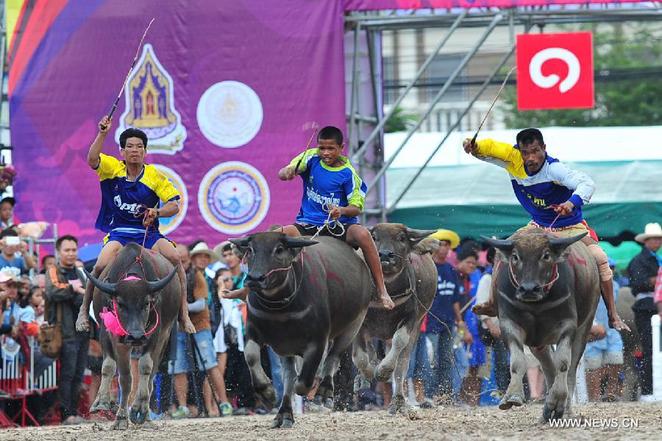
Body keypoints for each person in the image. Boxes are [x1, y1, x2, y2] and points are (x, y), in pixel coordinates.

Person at [464, 128, 628, 331]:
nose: (531, 158)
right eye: (526, 153)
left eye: (535, 151)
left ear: (544, 148)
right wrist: (473, 146)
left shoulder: (554, 169)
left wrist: (571, 203)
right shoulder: (513, 161)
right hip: (537, 226)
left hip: (569, 227)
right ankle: (492, 303)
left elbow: (587, 183)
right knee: (503, 250)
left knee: (601, 259)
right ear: (519, 151)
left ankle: (613, 315)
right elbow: (489, 151)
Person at [75, 115, 194, 334]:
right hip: (119, 233)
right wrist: (102, 133)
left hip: (148, 234)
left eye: (139, 146)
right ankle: (84, 309)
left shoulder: (154, 176)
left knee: (176, 260)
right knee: (100, 265)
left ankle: (183, 314)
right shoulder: (112, 168)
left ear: (145, 151)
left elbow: (174, 205)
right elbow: (92, 160)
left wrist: (157, 211)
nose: (135, 150)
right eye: (129, 146)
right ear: (122, 151)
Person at [277, 125, 394, 309]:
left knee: (363, 234)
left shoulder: (349, 174)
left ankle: (381, 290)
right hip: (307, 223)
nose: (325, 152)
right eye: (322, 147)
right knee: (275, 237)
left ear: (341, 147)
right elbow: (285, 171)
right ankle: (249, 287)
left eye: (331, 148)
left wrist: (341, 210)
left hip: (338, 226)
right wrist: (287, 173)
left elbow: (356, 208)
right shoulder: (310, 156)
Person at [169, 246, 232, 418]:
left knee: (209, 363)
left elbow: (201, 304)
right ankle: (182, 407)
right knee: (179, 367)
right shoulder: (170, 275)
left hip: (200, 325)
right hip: (179, 327)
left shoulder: (196, 275)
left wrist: (180, 310)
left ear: (189, 258)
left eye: (184, 260)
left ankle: (224, 402)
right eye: (178, 260)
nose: (182, 263)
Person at [44, 235, 89, 425]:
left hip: (82, 331)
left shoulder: (80, 272)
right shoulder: (53, 270)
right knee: (68, 374)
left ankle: (74, 412)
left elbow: (88, 294)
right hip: (65, 331)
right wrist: (75, 290)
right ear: (58, 252)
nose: (71, 254)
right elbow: (53, 291)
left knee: (79, 374)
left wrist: (79, 291)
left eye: (73, 250)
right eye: (67, 250)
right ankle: (66, 414)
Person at [627, 222, 662, 399]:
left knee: (657, 348)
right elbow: (636, 283)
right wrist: (657, 280)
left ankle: (656, 388)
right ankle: (648, 390)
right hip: (646, 307)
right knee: (649, 348)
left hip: (656, 304)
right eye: (654, 239)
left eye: (659, 239)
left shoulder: (657, 259)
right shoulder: (638, 260)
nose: (657, 242)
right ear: (646, 241)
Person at [584, 259, 624, 402]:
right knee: (593, 366)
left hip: (610, 329)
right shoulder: (587, 287)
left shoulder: (616, 286)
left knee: (616, 359)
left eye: (611, 267)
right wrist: (591, 326)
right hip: (593, 329)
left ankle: (611, 393)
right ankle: (594, 398)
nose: (609, 271)